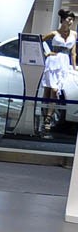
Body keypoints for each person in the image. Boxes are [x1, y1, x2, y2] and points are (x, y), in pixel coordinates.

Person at [39, 8, 77, 136]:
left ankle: (47, 117)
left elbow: (73, 53)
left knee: (54, 91)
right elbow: (40, 41)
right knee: (50, 90)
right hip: (53, 62)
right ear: (63, 20)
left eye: (72, 20)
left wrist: (74, 67)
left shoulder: (74, 34)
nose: (71, 22)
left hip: (64, 64)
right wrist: (46, 53)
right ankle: (47, 117)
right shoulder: (54, 33)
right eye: (69, 19)